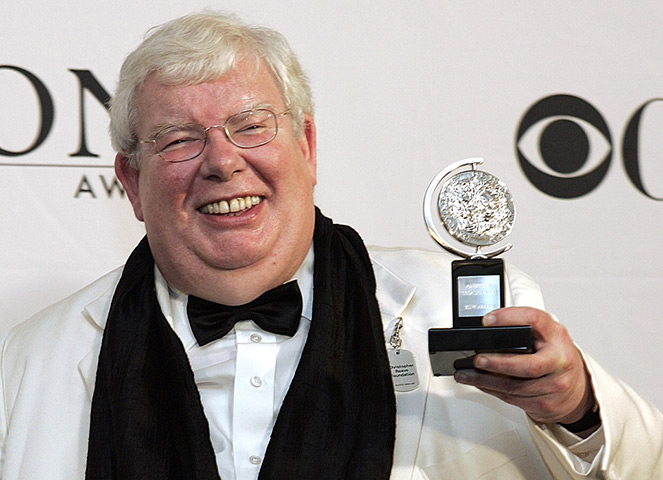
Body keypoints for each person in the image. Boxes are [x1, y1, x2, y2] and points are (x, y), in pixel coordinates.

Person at [0, 10, 661, 480]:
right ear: (132, 183)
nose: (222, 162)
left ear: (307, 148)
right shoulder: (29, 363)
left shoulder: (460, 309)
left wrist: (575, 407)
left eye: (250, 125)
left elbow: (636, 469)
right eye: (177, 138)